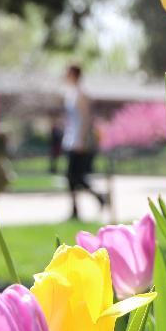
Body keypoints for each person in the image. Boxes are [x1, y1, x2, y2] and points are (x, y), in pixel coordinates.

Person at [62, 64, 105, 220]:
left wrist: (80, 139)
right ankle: (75, 210)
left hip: (79, 141)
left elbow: (86, 119)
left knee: (76, 176)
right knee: (70, 177)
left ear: (73, 74)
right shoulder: (70, 93)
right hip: (70, 139)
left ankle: (99, 196)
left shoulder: (82, 94)